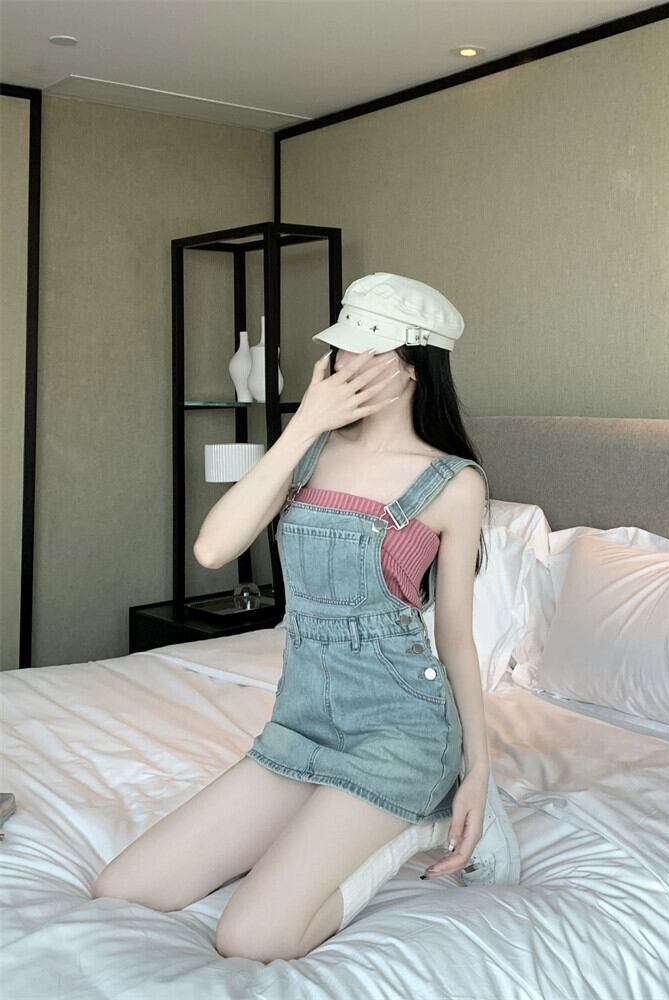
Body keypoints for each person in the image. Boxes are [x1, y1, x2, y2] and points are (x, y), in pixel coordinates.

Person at [91, 272, 520, 963]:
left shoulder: (454, 483)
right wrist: (302, 426)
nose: (342, 363)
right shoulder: (310, 450)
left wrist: (477, 773)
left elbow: (455, 641)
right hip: (303, 722)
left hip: (400, 733)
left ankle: (418, 820)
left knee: (249, 936)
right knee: (123, 888)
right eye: (342, 346)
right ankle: (369, 814)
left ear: (411, 366)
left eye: (365, 350)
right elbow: (212, 548)